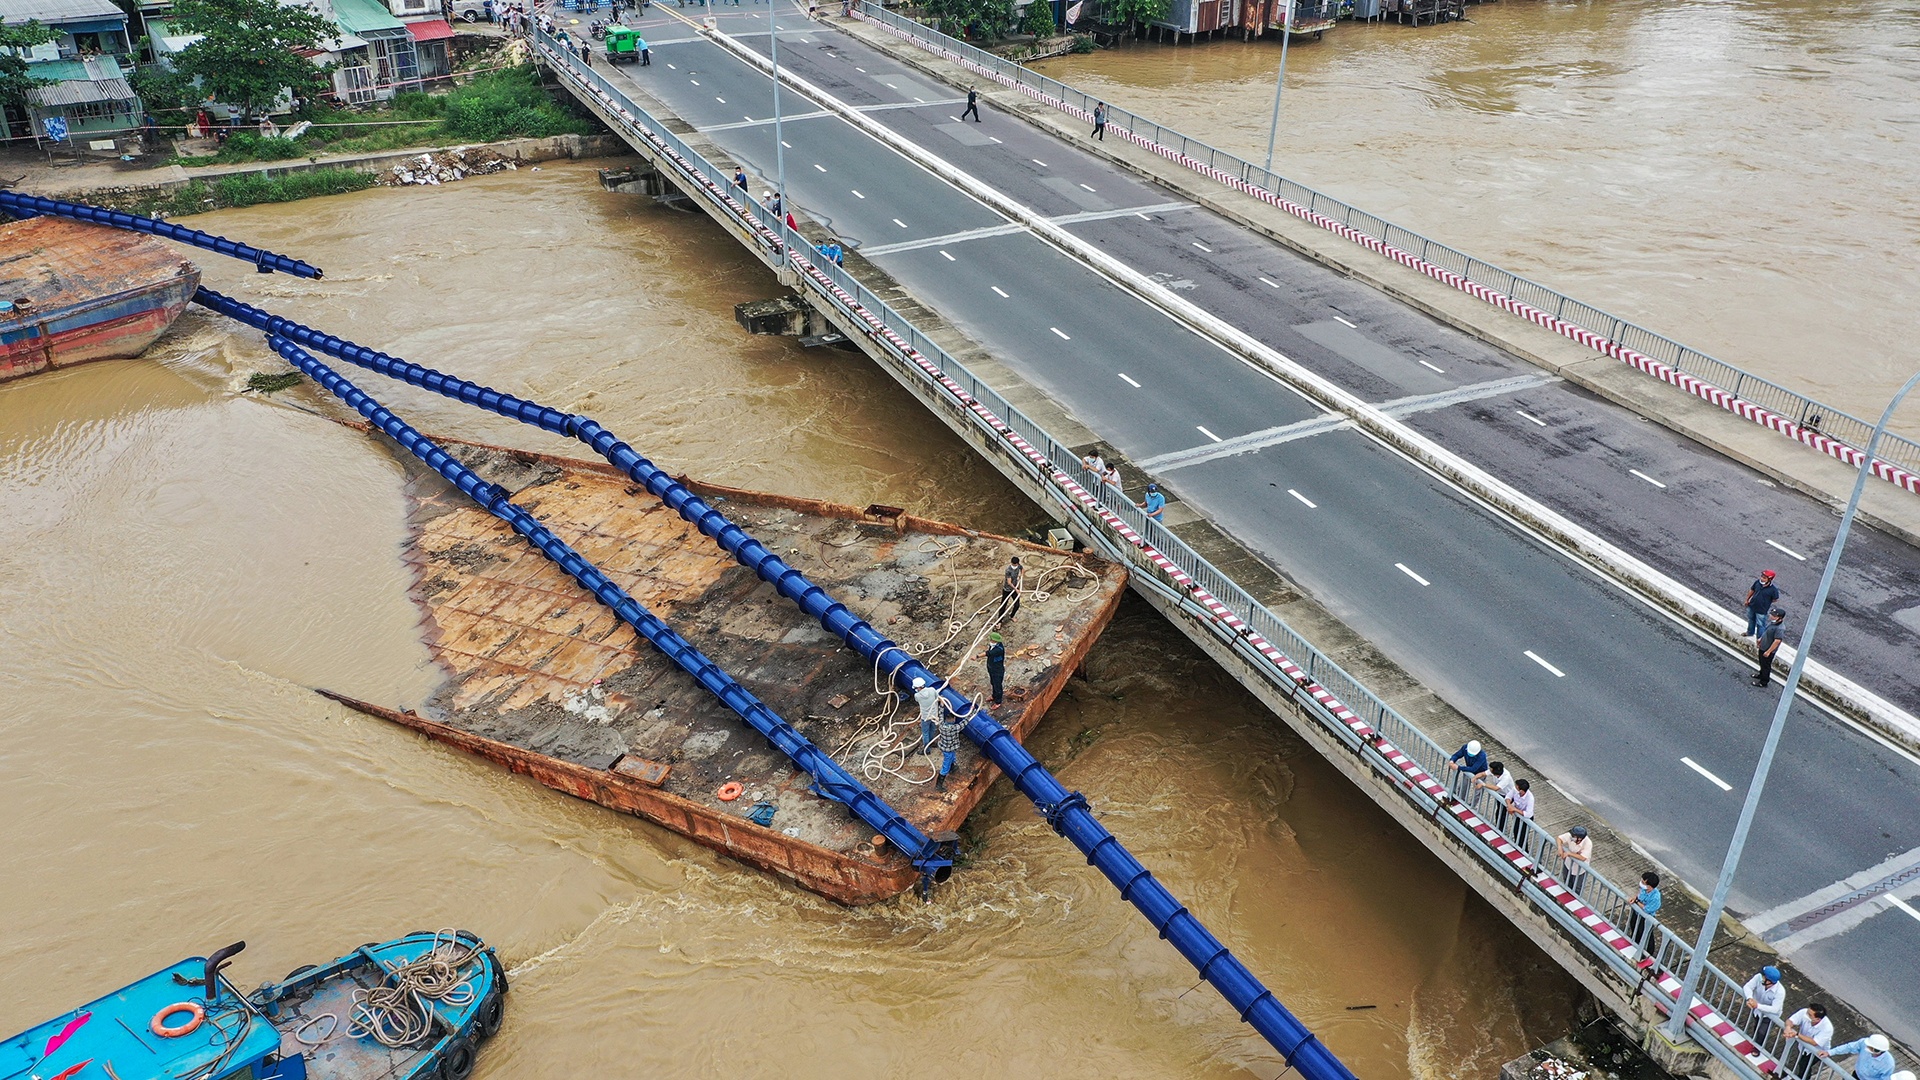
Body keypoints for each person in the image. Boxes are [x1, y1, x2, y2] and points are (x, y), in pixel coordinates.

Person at [1781, 1003, 1832, 1077]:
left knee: (1804, 1065)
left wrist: (1797, 1034)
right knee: (1802, 1063)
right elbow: (1790, 1020)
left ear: (1817, 1019)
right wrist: (1788, 1027)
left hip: (1817, 1051)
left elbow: (1814, 1042)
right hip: (1803, 1047)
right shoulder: (1804, 1012)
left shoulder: (1827, 1028)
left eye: (1810, 1015)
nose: (1807, 1015)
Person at [1741, 966, 1786, 1042]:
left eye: (1764, 977)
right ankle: (1754, 1041)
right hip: (1757, 1010)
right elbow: (1747, 987)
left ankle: (1757, 1047)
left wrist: (1757, 1005)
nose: (1762, 977)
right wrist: (1749, 998)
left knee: (1762, 1032)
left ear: (1769, 981)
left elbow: (1775, 1009)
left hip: (1769, 1015)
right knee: (1756, 1025)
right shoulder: (1758, 977)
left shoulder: (1780, 992)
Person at [1822, 1035, 1895, 1080]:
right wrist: (1830, 1052)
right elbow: (1849, 1047)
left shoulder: (1888, 1064)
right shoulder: (1864, 1043)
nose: (1868, 1049)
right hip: (1856, 1075)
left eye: (1871, 1048)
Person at [1628, 871, 1661, 957]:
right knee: (1634, 927)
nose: (1641, 883)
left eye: (1643, 882)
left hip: (1646, 918)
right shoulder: (1644, 889)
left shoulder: (1655, 897)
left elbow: (1647, 909)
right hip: (1637, 913)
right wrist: (1635, 898)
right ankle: (1634, 945)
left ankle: (1648, 953)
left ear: (1650, 886)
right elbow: (1639, 895)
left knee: (1645, 934)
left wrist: (1637, 902)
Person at [1555, 825, 1592, 896]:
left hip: (1580, 869)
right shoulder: (1571, 836)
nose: (1572, 838)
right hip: (1568, 864)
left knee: (1577, 887)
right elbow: (1559, 838)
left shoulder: (1588, 843)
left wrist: (1569, 853)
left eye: (1574, 838)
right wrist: (1560, 847)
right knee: (1566, 880)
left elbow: (1583, 857)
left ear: (1579, 839)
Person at [1754, 606, 1786, 686]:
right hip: (1763, 647)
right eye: (1772, 614)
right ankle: (1761, 675)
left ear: (1780, 618)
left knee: (1766, 666)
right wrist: (1760, 639)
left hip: (1768, 650)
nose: (1771, 616)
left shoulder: (1780, 628)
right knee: (1762, 663)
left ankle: (1764, 682)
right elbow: (1766, 631)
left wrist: (1768, 651)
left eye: (1774, 616)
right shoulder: (1772, 623)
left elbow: (1777, 641)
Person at [1744, 569, 1781, 637]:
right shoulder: (1757, 583)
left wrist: (1765, 602)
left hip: (1762, 610)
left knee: (1760, 625)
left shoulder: (1773, 590)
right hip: (1752, 606)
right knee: (1751, 620)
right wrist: (1747, 599)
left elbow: (1775, 599)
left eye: (1764, 578)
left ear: (1769, 579)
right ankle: (1750, 632)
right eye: (1762, 576)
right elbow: (1752, 590)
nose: (1762, 579)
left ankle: (1760, 638)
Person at [934, 708, 963, 790]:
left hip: (945, 747)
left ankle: (952, 767)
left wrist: (942, 705)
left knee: (952, 757)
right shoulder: (954, 728)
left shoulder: (941, 724)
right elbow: (965, 722)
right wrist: (972, 713)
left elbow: (940, 714)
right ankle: (938, 785)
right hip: (949, 750)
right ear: (953, 719)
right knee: (945, 767)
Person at [913, 676, 942, 752]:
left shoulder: (917, 696)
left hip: (925, 717)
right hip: (934, 716)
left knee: (925, 733)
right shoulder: (932, 690)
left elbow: (917, 699)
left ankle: (927, 749)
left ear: (918, 687)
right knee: (932, 729)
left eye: (916, 688)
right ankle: (932, 742)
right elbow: (937, 698)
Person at [985, 631, 1006, 705]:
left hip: (997, 671)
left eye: (992, 640)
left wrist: (977, 656)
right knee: (993, 683)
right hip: (992, 669)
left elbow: (988, 653)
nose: (990, 641)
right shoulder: (993, 646)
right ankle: (994, 696)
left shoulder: (999, 649)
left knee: (997, 686)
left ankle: (998, 702)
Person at [1000, 556, 1023, 621]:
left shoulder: (1018, 566)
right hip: (1007, 590)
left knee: (1017, 605)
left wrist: (1021, 575)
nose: (1016, 565)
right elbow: (1009, 582)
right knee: (1003, 605)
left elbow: (1022, 569)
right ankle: (999, 621)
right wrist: (1016, 590)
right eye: (1015, 564)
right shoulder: (1008, 570)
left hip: (1014, 588)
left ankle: (1011, 616)